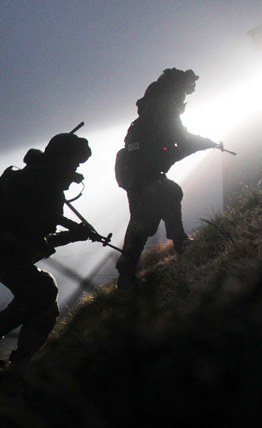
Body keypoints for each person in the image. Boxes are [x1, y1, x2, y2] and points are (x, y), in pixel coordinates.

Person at [0, 132, 94, 368]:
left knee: (45, 305)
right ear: (61, 159)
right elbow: (35, 225)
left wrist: (71, 234)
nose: (75, 169)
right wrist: (71, 233)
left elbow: (37, 234)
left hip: (7, 250)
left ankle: (21, 363)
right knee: (42, 292)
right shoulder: (35, 181)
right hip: (0, 250)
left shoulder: (42, 180)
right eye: (73, 162)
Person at [114, 68, 219, 289]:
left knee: (170, 192)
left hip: (140, 171)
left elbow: (172, 145)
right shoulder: (164, 107)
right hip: (142, 173)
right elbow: (179, 137)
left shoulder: (154, 107)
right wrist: (205, 142)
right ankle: (126, 276)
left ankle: (179, 242)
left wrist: (198, 144)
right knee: (143, 221)